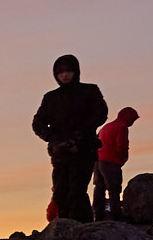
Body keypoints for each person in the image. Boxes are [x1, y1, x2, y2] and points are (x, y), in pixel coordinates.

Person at [30, 54, 107, 223]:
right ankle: (64, 231)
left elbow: (100, 114)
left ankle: (84, 230)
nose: (64, 75)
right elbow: (38, 122)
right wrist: (53, 139)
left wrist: (79, 135)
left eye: (68, 71)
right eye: (60, 72)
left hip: (83, 150)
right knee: (60, 194)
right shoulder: (51, 98)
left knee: (77, 192)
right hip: (60, 154)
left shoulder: (90, 91)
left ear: (76, 72)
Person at [94, 106, 139, 222]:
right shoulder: (122, 127)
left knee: (99, 188)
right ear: (128, 118)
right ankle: (116, 216)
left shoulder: (106, 127)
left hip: (98, 161)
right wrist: (122, 159)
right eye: (133, 120)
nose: (132, 123)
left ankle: (98, 216)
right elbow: (121, 146)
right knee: (114, 189)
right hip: (111, 161)